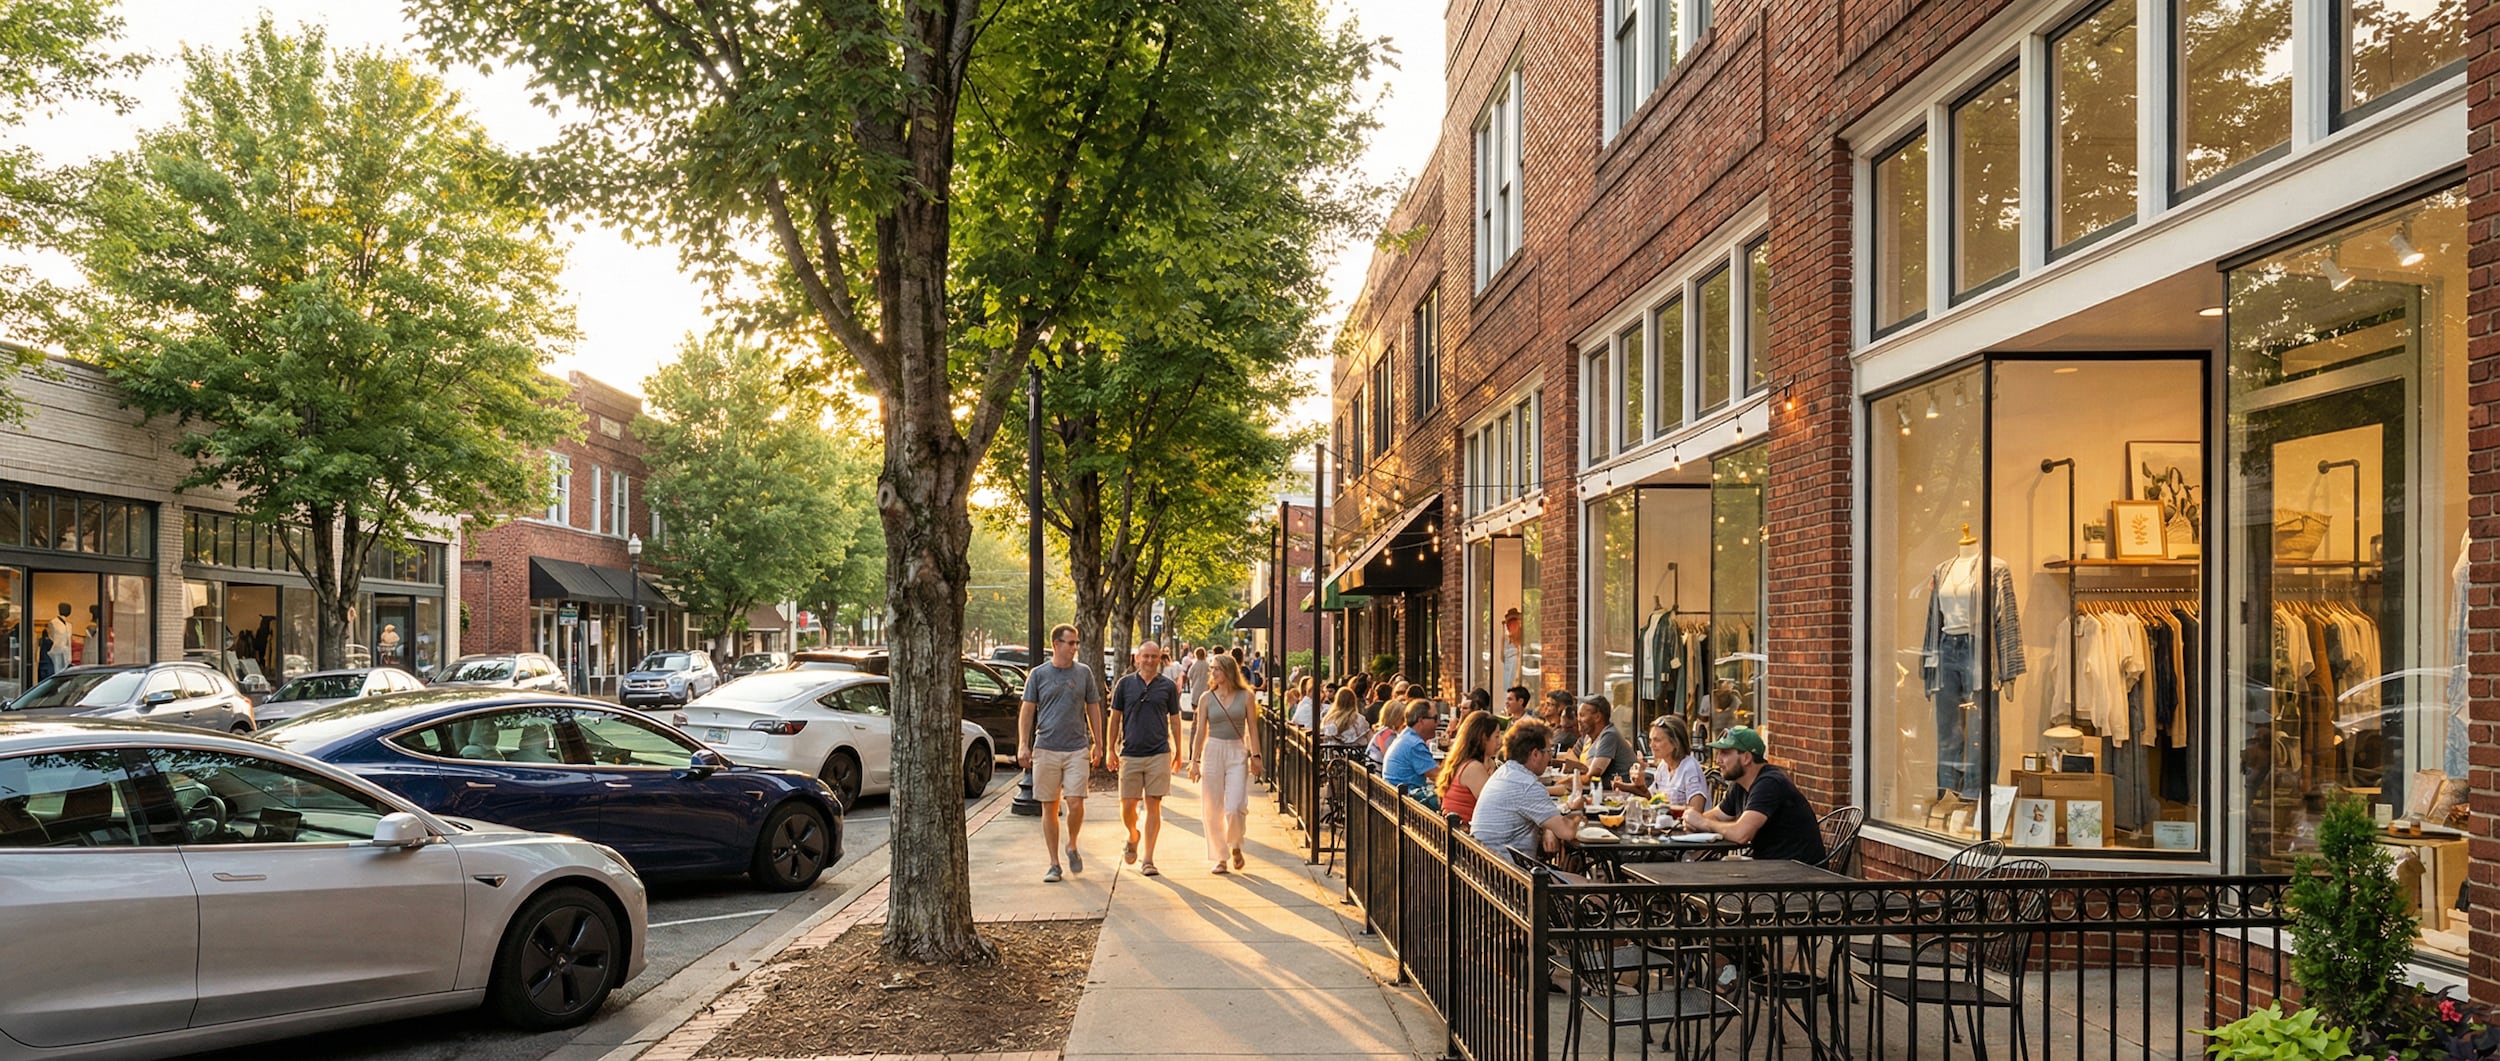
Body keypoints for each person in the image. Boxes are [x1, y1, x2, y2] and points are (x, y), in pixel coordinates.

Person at [1019, 622, 1105, 883]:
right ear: (1056, 644)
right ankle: (1054, 863)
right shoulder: (1038, 675)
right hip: (1046, 748)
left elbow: (1093, 708)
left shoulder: (1084, 673)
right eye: (1070, 643)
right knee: (1049, 806)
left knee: (1076, 802)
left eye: (1076, 643)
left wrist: (1098, 743)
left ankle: (1073, 844)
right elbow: (1027, 710)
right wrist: (1024, 744)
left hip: (1076, 747)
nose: (1074, 648)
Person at [1682, 726, 1826, 864]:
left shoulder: (1769, 783)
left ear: (1746, 758)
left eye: (1725, 753)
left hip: (1799, 877)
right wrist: (1693, 821)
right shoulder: (1740, 783)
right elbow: (1719, 815)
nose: (1718, 760)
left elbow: (1742, 834)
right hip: (1773, 867)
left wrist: (1703, 823)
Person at [1107, 641, 1185, 877]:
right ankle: (1133, 835)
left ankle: (1148, 859)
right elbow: (1115, 718)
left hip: (1159, 753)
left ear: (1160, 659)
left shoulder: (1168, 687)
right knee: (1127, 806)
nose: (1150, 661)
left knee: (1154, 805)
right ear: (1137, 658)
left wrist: (1179, 751)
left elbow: (1175, 719)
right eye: (1146, 656)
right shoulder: (1125, 684)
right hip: (1130, 753)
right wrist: (1110, 748)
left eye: (1155, 657)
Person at [1471, 720, 1584, 861]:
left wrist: (1549, 829)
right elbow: (1567, 832)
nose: (1550, 757)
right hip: (1507, 875)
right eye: (1549, 751)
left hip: (1485, 866)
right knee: (1587, 883)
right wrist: (1577, 810)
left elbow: (1541, 814)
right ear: (1535, 754)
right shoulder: (1527, 785)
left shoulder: (1505, 772)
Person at [1190, 653, 1262, 874]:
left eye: (1216, 669)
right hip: (1213, 750)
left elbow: (1252, 728)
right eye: (1212, 668)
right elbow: (1200, 731)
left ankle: (1236, 843)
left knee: (1235, 806)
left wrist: (1256, 756)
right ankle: (1220, 856)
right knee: (1212, 808)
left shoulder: (1246, 696)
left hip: (1237, 752)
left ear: (1228, 671)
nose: (1213, 672)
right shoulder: (1206, 698)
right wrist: (1194, 761)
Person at [1619, 718, 1710, 816]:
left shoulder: (1690, 768)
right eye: (1650, 740)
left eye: (1657, 740)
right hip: (1666, 825)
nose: (1651, 745)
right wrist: (1639, 784)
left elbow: (1696, 811)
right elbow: (1652, 800)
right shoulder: (1663, 766)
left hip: (1688, 829)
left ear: (1675, 743)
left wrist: (1668, 809)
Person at [1437, 711, 1501, 825]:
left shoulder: (1461, 761)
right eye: (1496, 736)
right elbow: (1496, 805)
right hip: (1465, 836)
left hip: (1457, 831)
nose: (1500, 742)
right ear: (1483, 738)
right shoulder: (1473, 768)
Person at [1571, 696, 1633, 787]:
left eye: (1582, 715)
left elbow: (1593, 775)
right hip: (1599, 792)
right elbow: (1571, 761)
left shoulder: (1609, 735)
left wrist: (1565, 781)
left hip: (1619, 795)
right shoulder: (1588, 738)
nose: (1578, 720)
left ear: (1597, 717)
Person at [1382, 699, 1442, 791]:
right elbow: (1439, 777)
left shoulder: (1406, 736)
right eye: (1435, 718)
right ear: (1421, 720)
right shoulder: (1414, 744)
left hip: (1395, 796)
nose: (1438, 722)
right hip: (1407, 799)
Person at [1367, 698, 1409, 766]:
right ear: (1395, 717)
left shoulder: (1382, 731)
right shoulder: (1387, 734)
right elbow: (1390, 757)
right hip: (1378, 770)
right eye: (1402, 718)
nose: (1404, 722)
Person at [1184, 647, 1212, 722]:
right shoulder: (1208, 665)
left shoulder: (1194, 665)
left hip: (1196, 689)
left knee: (1196, 710)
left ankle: (1196, 724)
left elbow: (1189, 675)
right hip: (1206, 689)